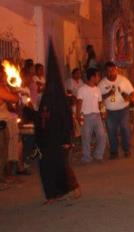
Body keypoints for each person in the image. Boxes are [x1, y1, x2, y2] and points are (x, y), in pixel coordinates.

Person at [35, 42, 80, 204]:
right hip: (47, 142)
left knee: (59, 167)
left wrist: (67, 141)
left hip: (57, 141)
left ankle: (65, 191)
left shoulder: (61, 101)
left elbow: (67, 121)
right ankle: (53, 194)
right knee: (47, 168)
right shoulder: (47, 98)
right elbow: (40, 117)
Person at [98, 62, 134, 159]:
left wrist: (129, 98)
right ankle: (114, 151)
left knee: (125, 128)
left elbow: (132, 92)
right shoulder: (102, 83)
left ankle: (126, 149)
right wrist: (102, 111)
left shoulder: (123, 80)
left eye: (113, 70)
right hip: (110, 111)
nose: (111, 73)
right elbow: (99, 99)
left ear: (116, 70)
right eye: (109, 71)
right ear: (106, 72)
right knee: (111, 130)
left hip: (123, 109)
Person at [76, 68, 106, 163]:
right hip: (86, 116)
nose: (99, 78)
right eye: (97, 76)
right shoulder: (82, 89)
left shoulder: (97, 89)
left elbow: (100, 103)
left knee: (102, 135)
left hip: (97, 116)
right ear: (92, 77)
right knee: (86, 137)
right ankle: (86, 157)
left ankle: (98, 155)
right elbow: (79, 103)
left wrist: (103, 112)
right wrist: (78, 115)